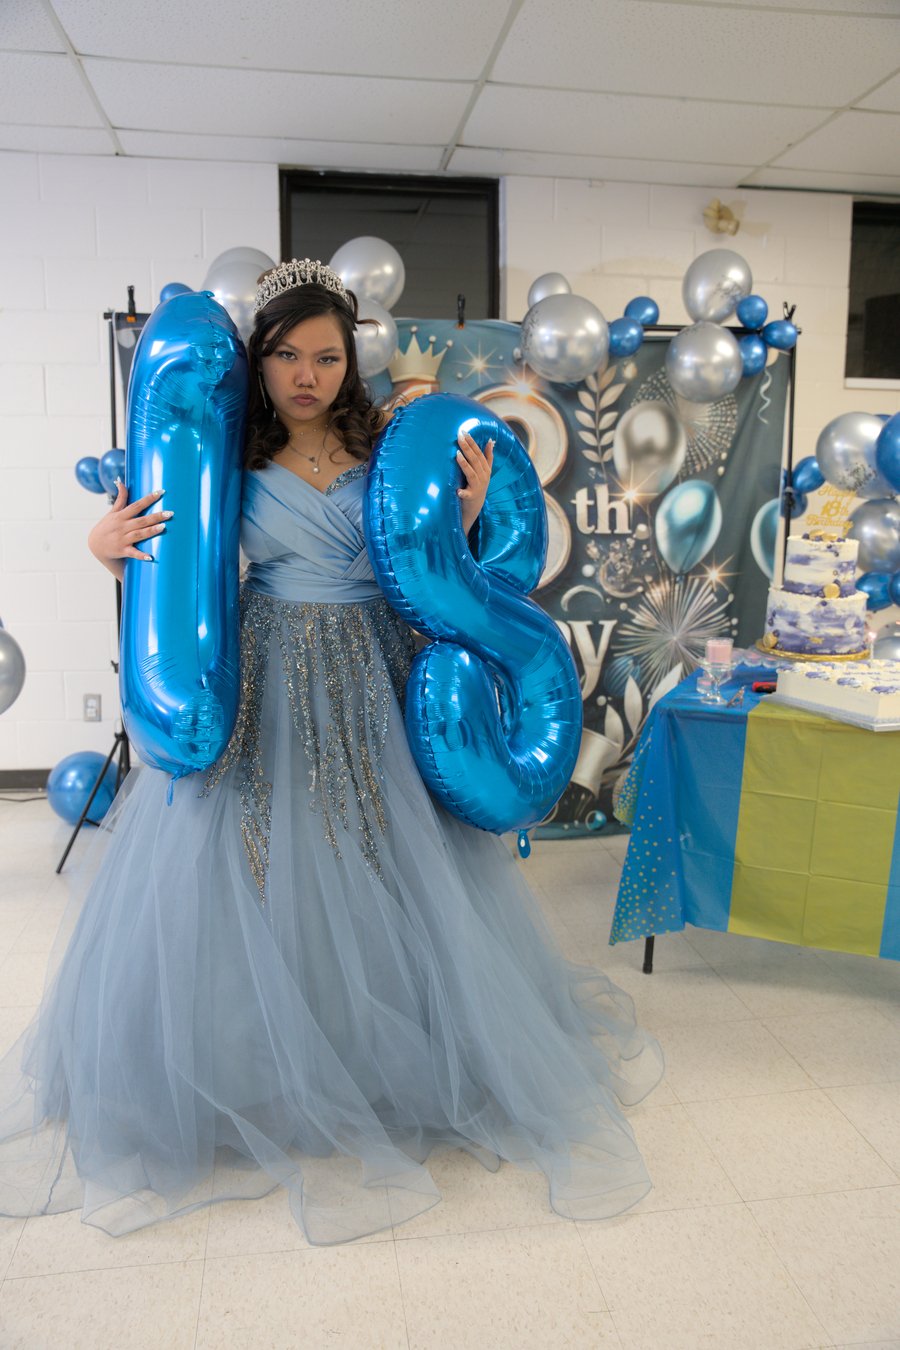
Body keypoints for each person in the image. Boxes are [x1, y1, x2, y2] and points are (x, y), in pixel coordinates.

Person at [0, 260, 662, 1245]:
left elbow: (438, 578)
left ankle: (385, 1055)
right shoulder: (224, 451)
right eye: (285, 356)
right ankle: (257, 1063)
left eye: (324, 357)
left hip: (374, 667)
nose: (304, 376)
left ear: (350, 362)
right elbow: (172, 562)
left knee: (379, 851)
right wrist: (105, 546)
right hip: (266, 667)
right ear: (259, 360)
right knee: (259, 857)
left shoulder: (389, 445)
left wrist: (465, 519)